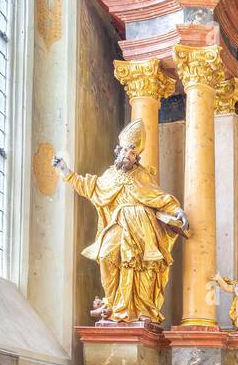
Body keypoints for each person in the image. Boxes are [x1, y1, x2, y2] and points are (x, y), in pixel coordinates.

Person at [52, 120, 189, 325]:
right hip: (118, 222)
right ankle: (115, 304)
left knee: (144, 265)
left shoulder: (142, 175)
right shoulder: (109, 175)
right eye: (125, 151)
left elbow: (159, 197)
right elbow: (91, 187)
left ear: (136, 158)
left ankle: (142, 309)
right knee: (107, 256)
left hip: (142, 224)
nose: (128, 155)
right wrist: (67, 173)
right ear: (118, 152)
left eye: (132, 154)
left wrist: (177, 210)